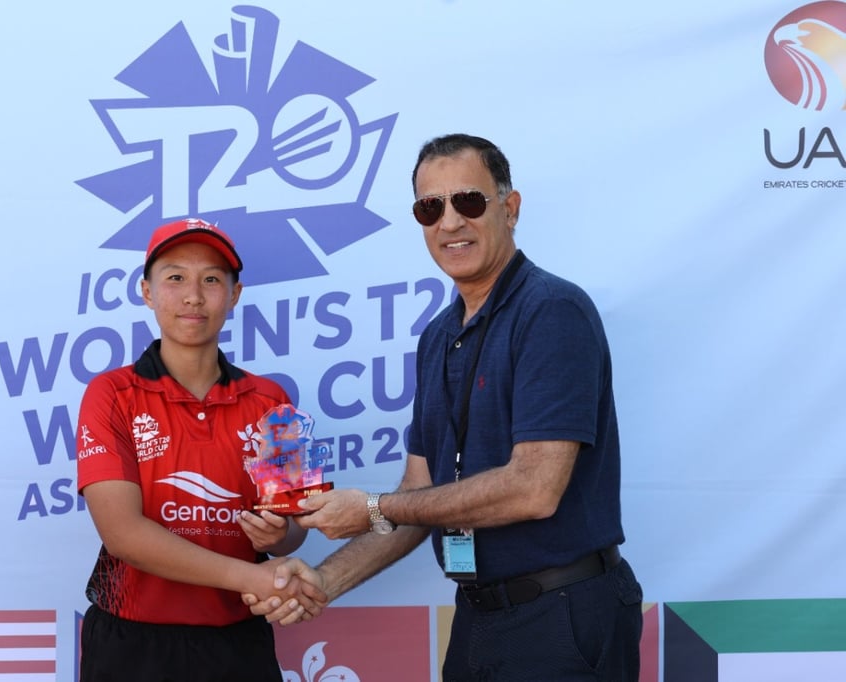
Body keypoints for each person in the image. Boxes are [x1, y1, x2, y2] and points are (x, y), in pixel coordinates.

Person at [248, 134, 643, 681]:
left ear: (510, 208)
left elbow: (534, 488)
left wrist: (372, 506)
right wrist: (323, 580)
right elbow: (420, 493)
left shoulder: (552, 311)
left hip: (563, 614)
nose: (450, 222)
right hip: (479, 617)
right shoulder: (438, 336)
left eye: (469, 201)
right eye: (430, 208)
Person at [75, 217, 322, 682]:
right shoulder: (110, 394)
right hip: (132, 641)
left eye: (211, 280)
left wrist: (279, 536)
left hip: (237, 641)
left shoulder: (274, 402)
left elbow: (295, 530)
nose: (193, 296)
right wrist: (252, 577)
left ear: (234, 294)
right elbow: (123, 534)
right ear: (147, 292)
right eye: (175, 278)